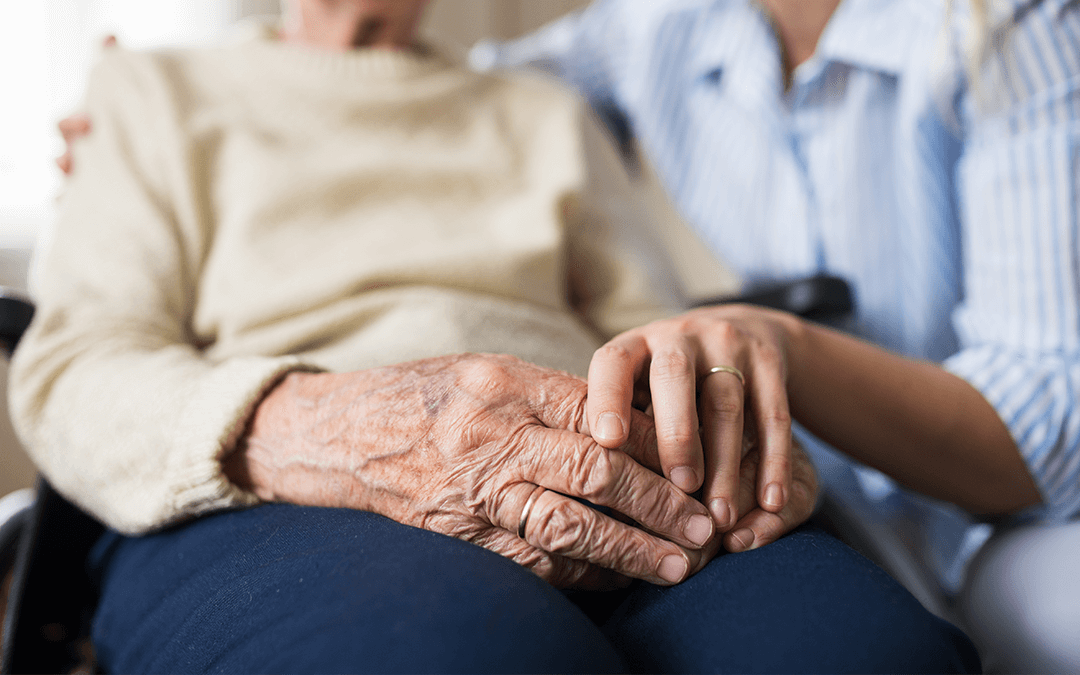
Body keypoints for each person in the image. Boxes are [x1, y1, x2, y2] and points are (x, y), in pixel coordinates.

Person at [15, 0, 982, 672]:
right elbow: (74, 371)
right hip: (285, 488)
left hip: (599, 467)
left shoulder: (543, 112)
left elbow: (651, 330)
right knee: (464, 656)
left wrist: (726, 421)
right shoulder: (150, 92)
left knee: (863, 652)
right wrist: (347, 431)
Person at [472, 0, 1080, 670]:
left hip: (1025, 520)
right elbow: (459, 89)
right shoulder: (660, 23)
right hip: (832, 500)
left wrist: (783, 345)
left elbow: (1047, 430)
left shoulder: (1016, 25)